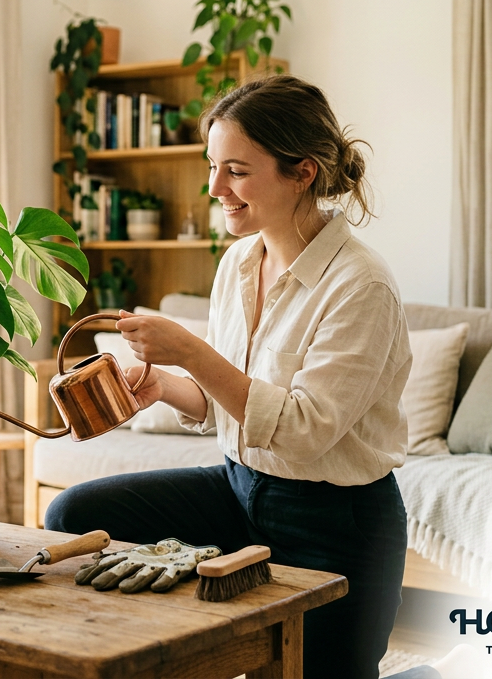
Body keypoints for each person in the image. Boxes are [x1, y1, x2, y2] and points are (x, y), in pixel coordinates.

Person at [46, 74, 412, 679]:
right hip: (240, 491)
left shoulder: (361, 287)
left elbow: (300, 430)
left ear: (303, 172)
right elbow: (231, 403)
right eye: (213, 166)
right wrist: (165, 387)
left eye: (236, 170)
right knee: (75, 515)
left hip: (336, 522)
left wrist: (190, 352)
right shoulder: (240, 261)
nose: (215, 187)